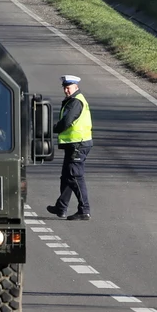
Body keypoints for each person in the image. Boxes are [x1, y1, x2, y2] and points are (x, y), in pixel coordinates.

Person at [47, 74, 93, 221]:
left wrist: (50, 129)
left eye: (69, 87)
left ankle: (84, 210)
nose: (66, 90)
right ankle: (61, 207)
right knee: (66, 177)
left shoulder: (75, 102)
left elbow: (66, 122)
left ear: (76, 87)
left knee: (75, 176)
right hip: (74, 144)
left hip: (78, 144)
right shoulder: (72, 100)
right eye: (65, 88)